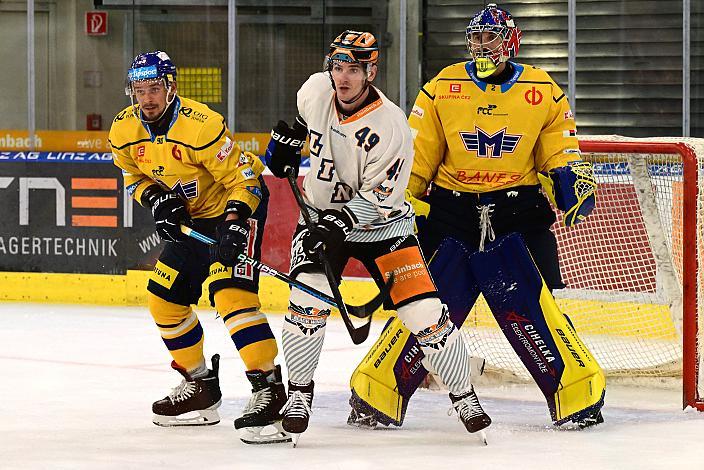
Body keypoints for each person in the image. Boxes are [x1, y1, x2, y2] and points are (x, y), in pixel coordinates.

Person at [347, 3, 603, 429]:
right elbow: (415, 152)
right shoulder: (442, 86)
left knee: (538, 311)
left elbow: (560, 144)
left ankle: (578, 395)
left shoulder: (542, 89)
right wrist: (392, 201)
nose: (483, 46)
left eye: (491, 37)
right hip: (452, 216)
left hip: (518, 214)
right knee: (423, 310)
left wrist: (570, 174)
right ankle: (379, 390)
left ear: (512, 41)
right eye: (476, 38)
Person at [264, 30, 492, 445]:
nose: (343, 77)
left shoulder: (392, 125)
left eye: (353, 68)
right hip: (320, 219)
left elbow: (381, 200)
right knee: (305, 306)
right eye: (338, 67)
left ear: (371, 70)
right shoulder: (316, 90)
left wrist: (336, 225)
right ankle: (298, 395)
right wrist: (286, 145)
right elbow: (302, 125)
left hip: (382, 227)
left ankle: (463, 395)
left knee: (425, 314)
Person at [110, 51, 290, 444]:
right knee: (163, 297)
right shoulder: (123, 130)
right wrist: (155, 200)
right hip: (192, 222)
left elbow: (245, 180)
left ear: (171, 87)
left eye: (154, 88)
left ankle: (270, 390)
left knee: (231, 295)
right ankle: (201, 387)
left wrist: (235, 225)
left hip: (236, 209)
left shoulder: (202, 125)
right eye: (139, 91)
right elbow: (133, 176)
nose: (147, 99)